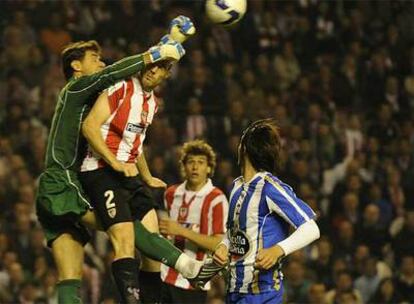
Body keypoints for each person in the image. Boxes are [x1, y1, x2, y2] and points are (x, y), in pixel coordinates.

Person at [35, 17, 191, 304]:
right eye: (95, 58)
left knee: (70, 279)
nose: (102, 63)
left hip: (62, 189)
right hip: (63, 183)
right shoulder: (75, 89)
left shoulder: (92, 97)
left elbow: (144, 77)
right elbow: (121, 72)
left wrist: (173, 40)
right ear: (76, 66)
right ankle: (183, 263)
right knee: (123, 225)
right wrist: (156, 52)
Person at [78, 22, 220, 303]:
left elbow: (136, 144)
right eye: (152, 64)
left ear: (166, 75)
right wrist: (115, 163)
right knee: (125, 240)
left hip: (128, 176)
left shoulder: (151, 104)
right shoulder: (120, 88)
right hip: (100, 171)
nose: (152, 70)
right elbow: (90, 127)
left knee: (153, 249)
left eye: (160, 69)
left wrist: (146, 175)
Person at [213, 119, 320, 303]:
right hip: (234, 291)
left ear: (243, 149)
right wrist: (223, 246)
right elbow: (234, 234)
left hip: (263, 293)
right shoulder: (237, 187)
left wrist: (278, 250)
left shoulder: (269, 187)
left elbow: (311, 229)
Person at [159, 140, 229, 304]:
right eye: (190, 162)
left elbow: (218, 244)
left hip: (193, 283)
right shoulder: (171, 194)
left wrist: (181, 230)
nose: (195, 167)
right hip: (163, 276)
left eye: (200, 162)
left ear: (209, 168)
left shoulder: (216, 200)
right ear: (183, 167)